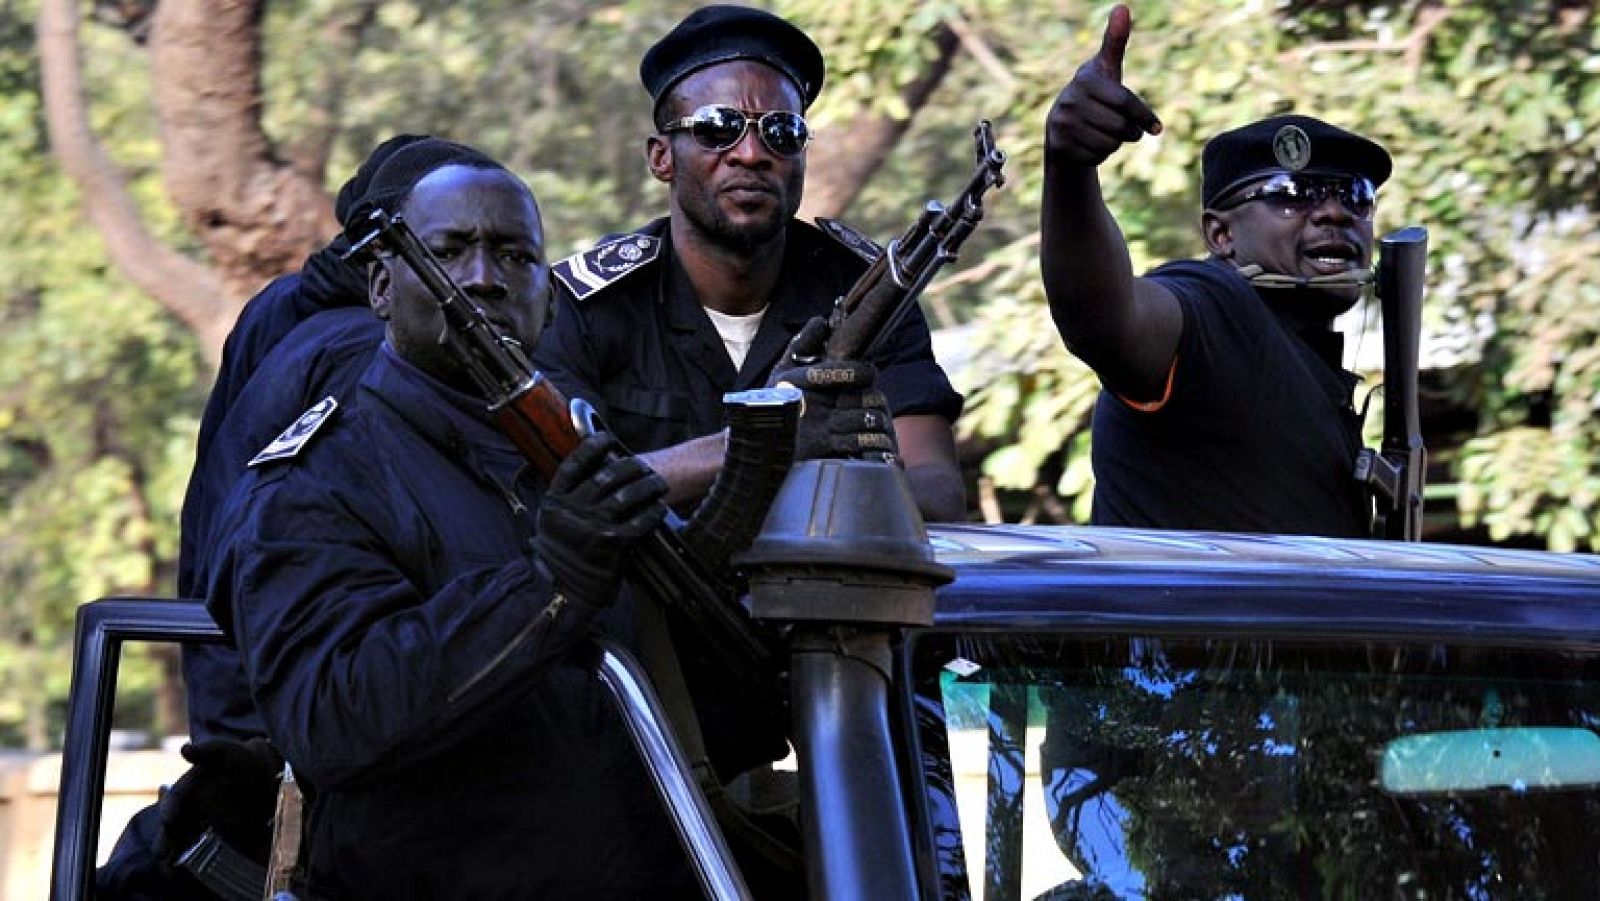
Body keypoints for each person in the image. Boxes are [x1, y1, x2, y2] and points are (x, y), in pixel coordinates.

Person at [202, 155, 702, 898]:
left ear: (550, 303)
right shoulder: (319, 476)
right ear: (380, 286)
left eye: (513, 255)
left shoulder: (571, 460)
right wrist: (549, 585)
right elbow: (332, 716)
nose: (481, 279)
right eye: (447, 252)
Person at [533, 4, 968, 523]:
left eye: (781, 132)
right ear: (660, 157)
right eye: (720, 128)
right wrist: (766, 444)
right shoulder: (583, 303)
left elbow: (938, 493)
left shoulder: (871, 294)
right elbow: (568, 496)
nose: (751, 153)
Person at [1040, 4, 1391, 537]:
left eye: (1355, 197)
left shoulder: (1313, 364)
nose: (1335, 212)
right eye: (1292, 195)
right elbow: (1103, 317)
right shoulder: (1216, 307)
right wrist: (1069, 167)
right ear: (1221, 235)